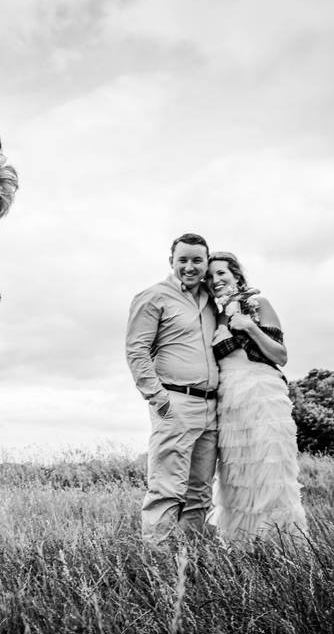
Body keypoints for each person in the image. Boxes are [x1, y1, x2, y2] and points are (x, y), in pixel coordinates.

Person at [205, 251, 308, 542]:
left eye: (222, 273)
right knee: (237, 476)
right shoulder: (212, 315)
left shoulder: (257, 304)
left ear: (236, 274)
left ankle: (283, 548)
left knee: (269, 470)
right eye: (210, 276)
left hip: (262, 393)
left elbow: (281, 355)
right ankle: (244, 551)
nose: (216, 280)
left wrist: (249, 327)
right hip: (229, 399)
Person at [124, 233, 219, 546]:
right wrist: (159, 399)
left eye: (197, 260)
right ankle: (159, 566)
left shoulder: (212, 300)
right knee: (166, 490)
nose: (189, 267)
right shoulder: (153, 297)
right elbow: (136, 350)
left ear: (207, 263)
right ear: (171, 262)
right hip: (175, 402)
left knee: (200, 492)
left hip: (212, 408)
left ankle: (192, 563)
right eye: (183, 260)